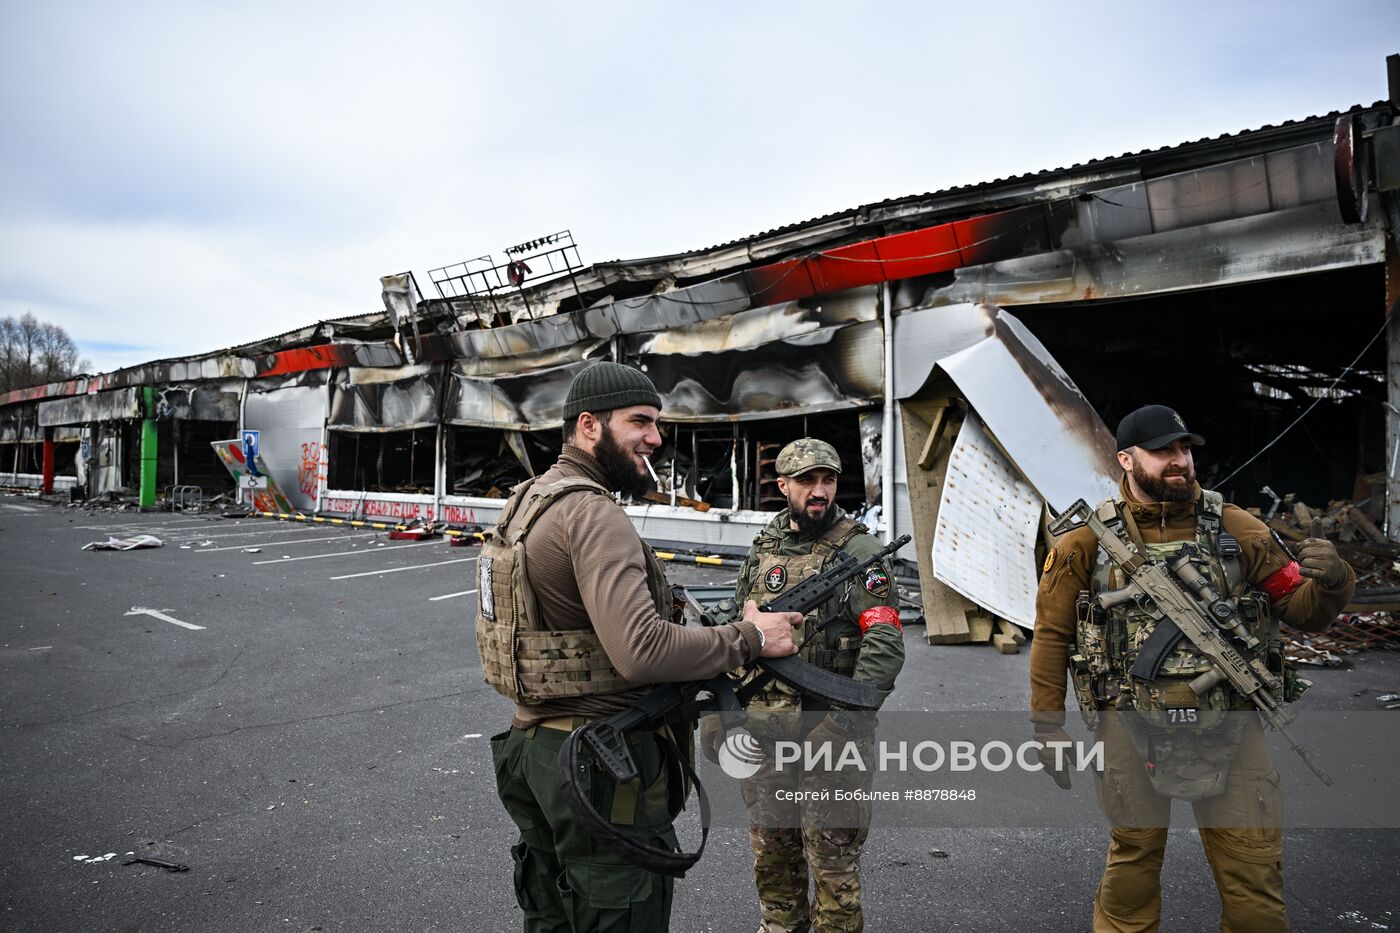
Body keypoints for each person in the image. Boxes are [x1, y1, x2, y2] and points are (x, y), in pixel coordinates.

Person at [482, 361, 803, 933]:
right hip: (598, 765)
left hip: (534, 749)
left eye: (656, 423)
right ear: (588, 426)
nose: (656, 438)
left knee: (552, 914)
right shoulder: (591, 513)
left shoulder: (528, 501)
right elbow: (641, 650)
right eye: (640, 422)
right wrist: (751, 638)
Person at [1029, 404, 1354, 932]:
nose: (1180, 461)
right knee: (1132, 865)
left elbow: (1301, 610)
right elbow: (1052, 636)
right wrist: (1047, 724)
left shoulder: (1238, 528)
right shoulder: (1085, 542)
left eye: (1185, 450)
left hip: (1230, 725)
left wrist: (1334, 583)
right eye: (1164, 451)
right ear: (1127, 460)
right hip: (1127, 727)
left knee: (1253, 874)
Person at [710, 437, 905, 933]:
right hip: (764, 733)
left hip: (832, 738)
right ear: (783, 486)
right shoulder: (764, 547)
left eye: (828, 480)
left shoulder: (858, 550)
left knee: (833, 863)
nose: (819, 491)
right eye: (806, 481)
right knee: (772, 857)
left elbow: (884, 640)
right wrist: (717, 711)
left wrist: (842, 724)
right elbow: (734, 629)